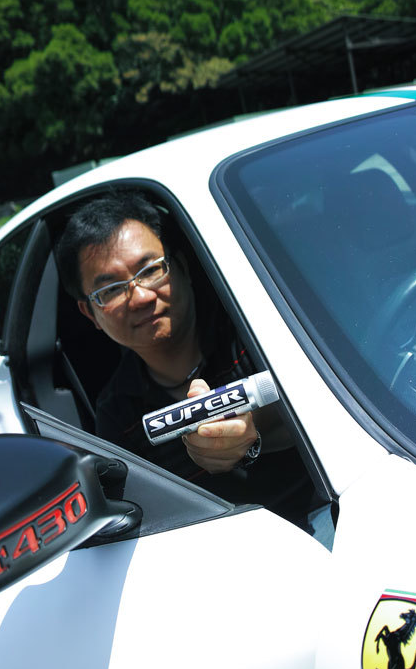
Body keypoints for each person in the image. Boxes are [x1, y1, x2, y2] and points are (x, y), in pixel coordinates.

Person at [54, 189, 307, 514]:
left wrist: (251, 432)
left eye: (150, 270)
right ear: (91, 315)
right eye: (112, 289)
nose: (141, 297)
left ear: (183, 268)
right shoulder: (116, 413)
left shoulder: (254, 328)